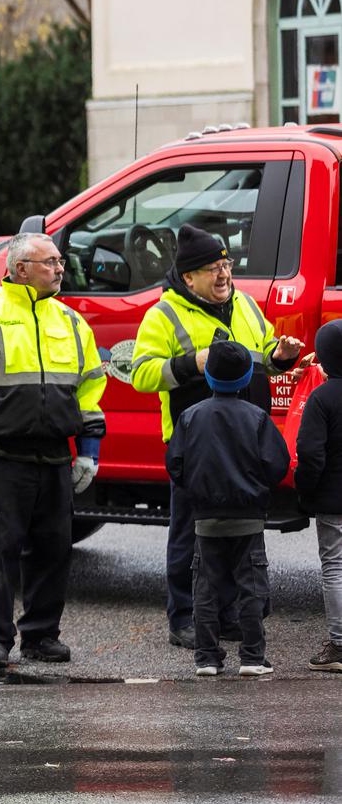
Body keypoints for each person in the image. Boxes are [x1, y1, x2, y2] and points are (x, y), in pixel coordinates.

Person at [0, 232, 106, 667]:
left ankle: (42, 636)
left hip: (55, 457)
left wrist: (87, 449)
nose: (60, 268)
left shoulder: (70, 322)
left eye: (60, 261)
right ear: (21, 268)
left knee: (54, 548)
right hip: (0, 457)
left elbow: (89, 392)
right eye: (50, 262)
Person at [130, 223, 302, 648]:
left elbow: (257, 356)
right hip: (196, 448)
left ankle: (227, 615)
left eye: (226, 265)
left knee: (239, 533)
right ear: (188, 277)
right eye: (212, 268)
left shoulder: (244, 304)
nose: (224, 275)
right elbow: (141, 375)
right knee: (191, 534)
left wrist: (278, 358)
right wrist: (192, 362)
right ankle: (184, 618)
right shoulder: (163, 314)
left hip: (244, 444)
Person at [166, 341, 288, 677]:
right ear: (248, 377)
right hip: (248, 518)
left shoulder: (191, 417)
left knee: (205, 586)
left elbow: (175, 464)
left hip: (205, 518)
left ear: (208, 376)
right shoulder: (257, 417)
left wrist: (196, 490)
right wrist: (259, 490)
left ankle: (206, 657)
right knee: (250, 587)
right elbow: (277, 463)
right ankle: (251, 656)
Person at [295, 319, 342, 672]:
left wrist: (305, 491)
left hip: (332, 500)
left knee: (335, 567)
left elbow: (311, 454)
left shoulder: (322, 399)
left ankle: (339, 644)